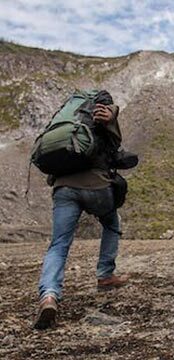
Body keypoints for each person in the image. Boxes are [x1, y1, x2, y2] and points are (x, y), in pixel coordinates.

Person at [34, 96, 129, 330]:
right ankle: (105, 274)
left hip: (63, 189)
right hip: (96, 186)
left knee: (59, 244)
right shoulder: (104, 115)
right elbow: (114, 149)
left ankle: (49, 295)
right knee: (111, 223)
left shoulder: (64, 120)